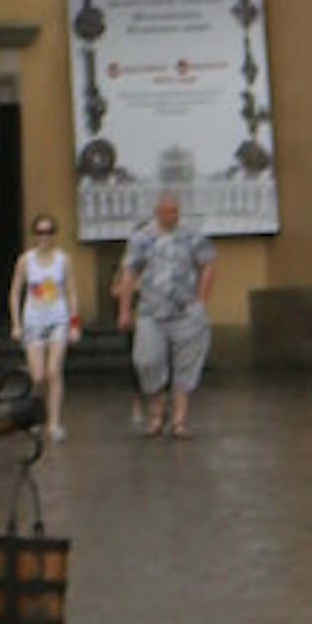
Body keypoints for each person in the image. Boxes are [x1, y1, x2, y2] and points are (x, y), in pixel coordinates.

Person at [114, 180, 215, 437]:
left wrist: (201, 300)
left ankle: (179, 420)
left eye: (175, 212)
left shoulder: (193, 236)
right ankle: (156, 415)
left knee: (186, 365)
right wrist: (125, 310)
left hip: (185, 311)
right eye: (166, 212)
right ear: (157, 212)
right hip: (151, 311)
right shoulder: (141, 239)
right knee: (147, 361)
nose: (171, 216)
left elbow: (208, 265)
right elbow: (129, 273)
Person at [9, 211, 79, 433]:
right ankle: (38, 415)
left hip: (58, 319)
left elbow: (71, 292)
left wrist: (74, 323)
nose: (44, 237)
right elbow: (15, 292)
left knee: (54, 371)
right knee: (37, 376)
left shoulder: (63, 260)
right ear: (34, 235)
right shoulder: (25, 261)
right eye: (40, 232)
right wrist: (16, 324)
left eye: (49, 232)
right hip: (33, 321)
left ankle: (55, 422)